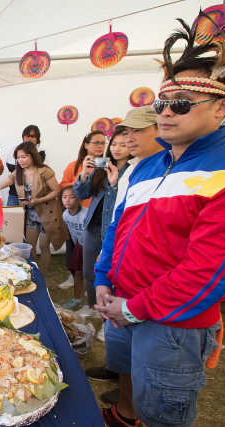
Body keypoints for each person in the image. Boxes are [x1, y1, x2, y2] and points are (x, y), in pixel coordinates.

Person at [94, 23, 225, 427]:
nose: (166, 112)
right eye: (162, 103)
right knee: (129, 380)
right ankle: (123, 415)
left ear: (222, 107)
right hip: (120, 301)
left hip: (172, 323)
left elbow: (209, 273)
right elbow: (116, 229)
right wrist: (103, 279)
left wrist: (134, 308)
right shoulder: (144, 166)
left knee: (164, 413)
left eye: (182, 104)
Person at [84, 106, 163, 401]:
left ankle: (130, 400)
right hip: (117, 270)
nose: (128, 139)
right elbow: (118, 223)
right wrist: (105, 272)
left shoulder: (164, 168)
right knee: (119, 338)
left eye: (137, 131)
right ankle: (119, 381)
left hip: (147, 289)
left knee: (148, 359)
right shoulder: (135, 168)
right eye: (124, 133)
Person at [0, 142, 68, 274]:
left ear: (32, 156)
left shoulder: (45, 171)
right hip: (30, 214)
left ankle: (42, 275)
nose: (20, 160)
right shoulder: (18, 173)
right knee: (30, 245)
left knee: (44, 245)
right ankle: (32, 271)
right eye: (18, 157)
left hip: (47, 213)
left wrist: (40, 200)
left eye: (24, 157)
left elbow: (56, 191)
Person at [73, 129, 132, 318]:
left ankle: (110, 312)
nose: (117, 149)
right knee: (90, 270)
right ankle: (92, 306)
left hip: (116, 231)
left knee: (112, 273)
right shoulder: (102, 167)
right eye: (114, 144)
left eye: (123, 144)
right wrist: (83, 173)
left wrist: (114, 185)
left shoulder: (133, 171)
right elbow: (82, 194)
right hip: (92, 228)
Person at [59, 130, 106, 208]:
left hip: (97, 211)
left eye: (103, 143)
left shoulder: (107, 167)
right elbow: (62, 186)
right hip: (77, 210)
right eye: (96, 143)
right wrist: (79, 183)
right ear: (86, 145)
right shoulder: (73, 165)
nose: (100, 146)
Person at [61, 186, 87, 310]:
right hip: (79, 244)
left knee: (91, 273)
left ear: (79, 200)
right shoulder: (65, 215)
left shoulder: (85, 215)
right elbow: (72, 233)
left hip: (91, 246)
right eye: (64, 197)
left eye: (72, 197)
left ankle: (93, 297)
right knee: (77, 272)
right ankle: (77, 299)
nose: (68, 200)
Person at [5, 125, 44, 206]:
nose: (29, 138)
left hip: (34, 196)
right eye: (27, 135)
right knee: (12, 218)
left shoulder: (42, 151)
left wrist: (17, 161)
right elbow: (10, 166)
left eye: (32, 136)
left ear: (37, 138)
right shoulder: (15, 148)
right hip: (15, 194)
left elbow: (38, 167)